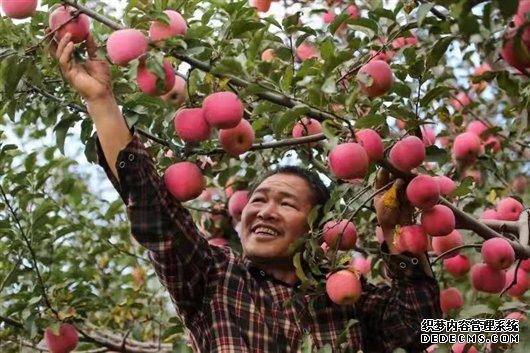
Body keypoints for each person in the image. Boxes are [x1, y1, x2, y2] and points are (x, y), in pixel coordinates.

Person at [50, 32, 441, 353]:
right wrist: (101, 101)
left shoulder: (348, 296)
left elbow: (427, 332)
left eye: (286, 203)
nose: (264, 211)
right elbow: (155, 210)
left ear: (317, 227)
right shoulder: (215, 278)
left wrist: (397, 227)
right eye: (258, 200)